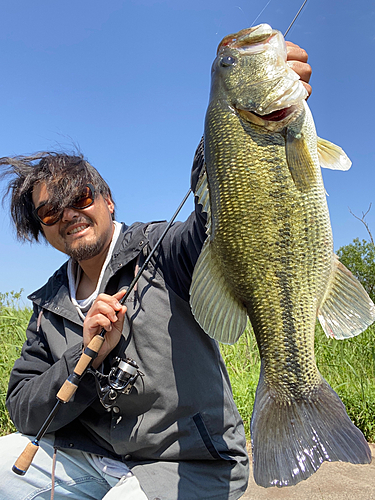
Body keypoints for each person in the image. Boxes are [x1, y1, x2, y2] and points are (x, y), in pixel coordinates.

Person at [0, 42, 311, 500]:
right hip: (91, 458)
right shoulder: (49, 306)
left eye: (81, 198)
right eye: (50, 213)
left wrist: (256, 108)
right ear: (41, 231)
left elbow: (218, 219)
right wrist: (85, 358)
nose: (68, 214)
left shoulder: (166, 249)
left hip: (189, 466)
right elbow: (23, 408)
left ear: (107, 201)